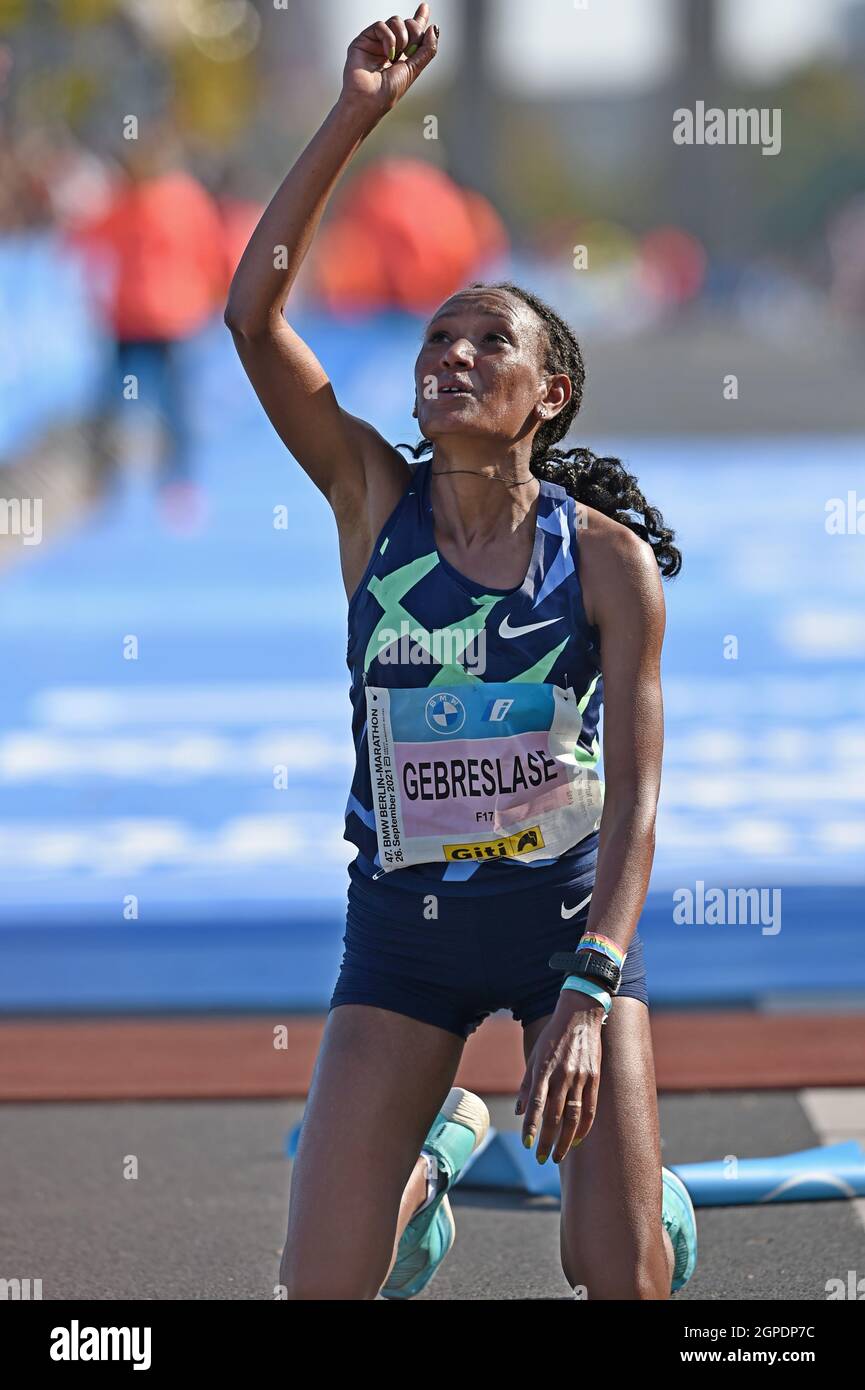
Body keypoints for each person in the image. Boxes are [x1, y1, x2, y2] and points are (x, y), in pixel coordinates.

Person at [225, 5, 697, 1301]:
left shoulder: (604, 561)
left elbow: (643, 792)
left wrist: (596, 993)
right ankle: (425, 1170)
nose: (451, 355)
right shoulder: (372, 498)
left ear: (550, 392)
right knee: (320, 1290)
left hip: (562, 937)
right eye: (438, 338)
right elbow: (250, 317)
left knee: (619, 1276)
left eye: (490, 340)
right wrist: (354, 117)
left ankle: (645, 1202)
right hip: (403, 942)